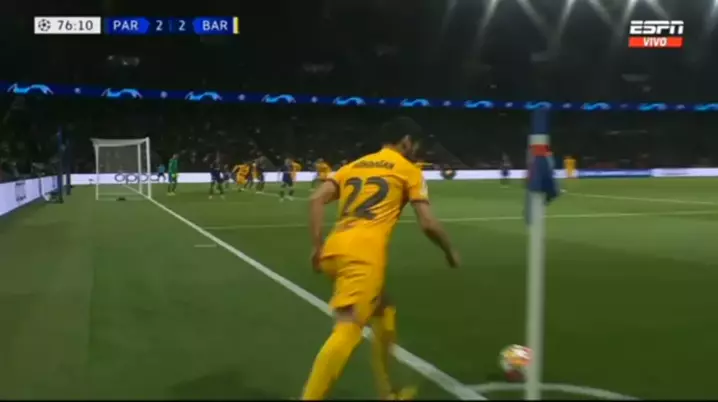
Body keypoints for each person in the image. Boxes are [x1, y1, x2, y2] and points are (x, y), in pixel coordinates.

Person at [302, 116, 461, 400]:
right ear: (406, 141)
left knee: (384, 311)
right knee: (348, 328)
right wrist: (450, 251)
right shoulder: (408, 170)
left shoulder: (354, 165)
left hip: (335, 249)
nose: (416, 149)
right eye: (416, 144)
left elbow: (316, 199)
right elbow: (428, 224)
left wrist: (317, 246)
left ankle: (388, 393)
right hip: (363, 257)